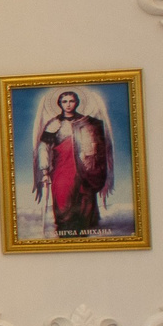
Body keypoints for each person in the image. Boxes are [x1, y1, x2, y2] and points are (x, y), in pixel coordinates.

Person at [33, 87, 112, 237]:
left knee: (85, 200)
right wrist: (44, 170)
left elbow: (97, 147)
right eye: (64, 101)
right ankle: (65, 232)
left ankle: (83, 232)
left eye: (71, 101)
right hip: (62, 169)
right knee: (63, 201)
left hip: (84, 169)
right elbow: (44, 147)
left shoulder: (87, 123)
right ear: (59, 104)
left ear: (76, 102)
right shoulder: (54, 124)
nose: (68, 104)